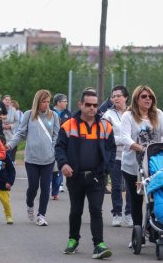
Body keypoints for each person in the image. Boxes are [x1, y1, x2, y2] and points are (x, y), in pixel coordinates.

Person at [55, 88, 116, 259]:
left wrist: (107, 169)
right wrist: (64, 164)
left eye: (95, 105)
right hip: (75, 177)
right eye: (88, 105)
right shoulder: (68, 125)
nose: (92, 108)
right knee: (76, 210)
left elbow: (111, 150)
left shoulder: (105, 126)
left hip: (97, 176)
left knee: (96, 209)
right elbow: (59, 148)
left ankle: (99, 244)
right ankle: (73, 240)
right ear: (80, 104)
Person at [120, 85, 163, 238]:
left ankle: (154, 227)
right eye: (144, 96)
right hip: (133, 166)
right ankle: (137, 233)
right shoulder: (128, 116)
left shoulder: (158, 114)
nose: (147, 99)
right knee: (136, 200)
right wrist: (140, 147)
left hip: (154, 165)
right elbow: (125, 137)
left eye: (150, 97)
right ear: (136, 99)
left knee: (156, 198)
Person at [6, 89, 60, 226]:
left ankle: (41, 215)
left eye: (48, 102)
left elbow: (56, 136)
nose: (46, 104)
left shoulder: (53, 116)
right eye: (44, 102)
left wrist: (53, 150)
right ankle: (29, 204)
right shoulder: (28, 115)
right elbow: (20, 133)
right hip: (32, 159)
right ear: (37, 102)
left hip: (48, 159)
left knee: (45, 188)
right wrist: (10, 145)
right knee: (33, 187)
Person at [103, 85, 133, 227]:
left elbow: (137, 134)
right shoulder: (108, 115)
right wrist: (125, 140)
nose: (115, 98)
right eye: (113, 96)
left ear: (126, 97)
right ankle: (117, 213)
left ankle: (129, 214)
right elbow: (106, 137)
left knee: (131, 186)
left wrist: (125, 140)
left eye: (118, 96)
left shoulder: (134, 113)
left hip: (132, 156)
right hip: (115, 156)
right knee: (116, 186)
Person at [51, 93, 71, 200]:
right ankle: (49, 182)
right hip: (50, 142)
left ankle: (58, 186)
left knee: (60, 163)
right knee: (50, 164)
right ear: (58, 102)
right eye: (64, 101)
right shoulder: (49, 112)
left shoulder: (68, 114)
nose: (66, 103)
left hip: (63, 143)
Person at [2, 95, 19, 162]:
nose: (7, 101)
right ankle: (0, 166)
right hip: (1, 132)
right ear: (3, 100)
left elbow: (17, 121)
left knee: (9, 150)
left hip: (10, 133)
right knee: (1, 150)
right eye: (6, 99)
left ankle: (9, 165)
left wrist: (11, 126)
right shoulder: (0, 108)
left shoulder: (13, 109)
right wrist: (2, 125)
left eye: (9, 100)